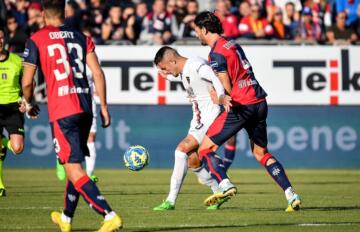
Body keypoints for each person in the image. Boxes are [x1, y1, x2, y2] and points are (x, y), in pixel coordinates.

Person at [21, 0, 122, 231]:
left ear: (44, 16)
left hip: (62, 109)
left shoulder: (36, 39)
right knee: (73, 166)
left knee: (74, 169)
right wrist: (104, 107)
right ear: (64, 15)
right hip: (86, 107)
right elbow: (97, 72)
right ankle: (66, 219)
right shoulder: (81, 37)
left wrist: (29, 102)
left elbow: (28, 82)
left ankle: (109, 215)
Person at [193, 11, 301, 212]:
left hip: (242, 104)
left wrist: (218, 97)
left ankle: (225, 184)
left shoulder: (215, 54)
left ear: (205, 29)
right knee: (261, 152)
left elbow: (226, 88)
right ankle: (291, 194)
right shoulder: (231, 43)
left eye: (196, 31)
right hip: (259, 100)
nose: (196, 35)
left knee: (205, 149)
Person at [152, 46, 233, 211]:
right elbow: (191, 79)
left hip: (210, 117)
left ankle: (170, 200)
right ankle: (218, 192)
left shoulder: (196, 64)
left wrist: (222, 95)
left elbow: (212, 76)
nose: (164, 71)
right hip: (198, 120)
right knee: (192, 160)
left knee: (180, 150)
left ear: (173, 61)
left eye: (165, 67)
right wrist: (167, 75)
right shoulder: (184, 71)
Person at [56, 70, 100, 183]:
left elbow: (97, 75)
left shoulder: (92, 56)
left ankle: (89, 174)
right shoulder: (64, 55)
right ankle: (60, 159)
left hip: (88, 102)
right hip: (68, 101)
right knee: (68, 136)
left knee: (90, 137)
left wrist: (98, 92)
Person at [0, 27, 26, 197]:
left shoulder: (17, 61)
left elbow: (26, 84)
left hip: (13, 109)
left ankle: (3, 142)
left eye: (1, 37)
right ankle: (0, 186)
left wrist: (26, 101)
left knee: (17, 148)